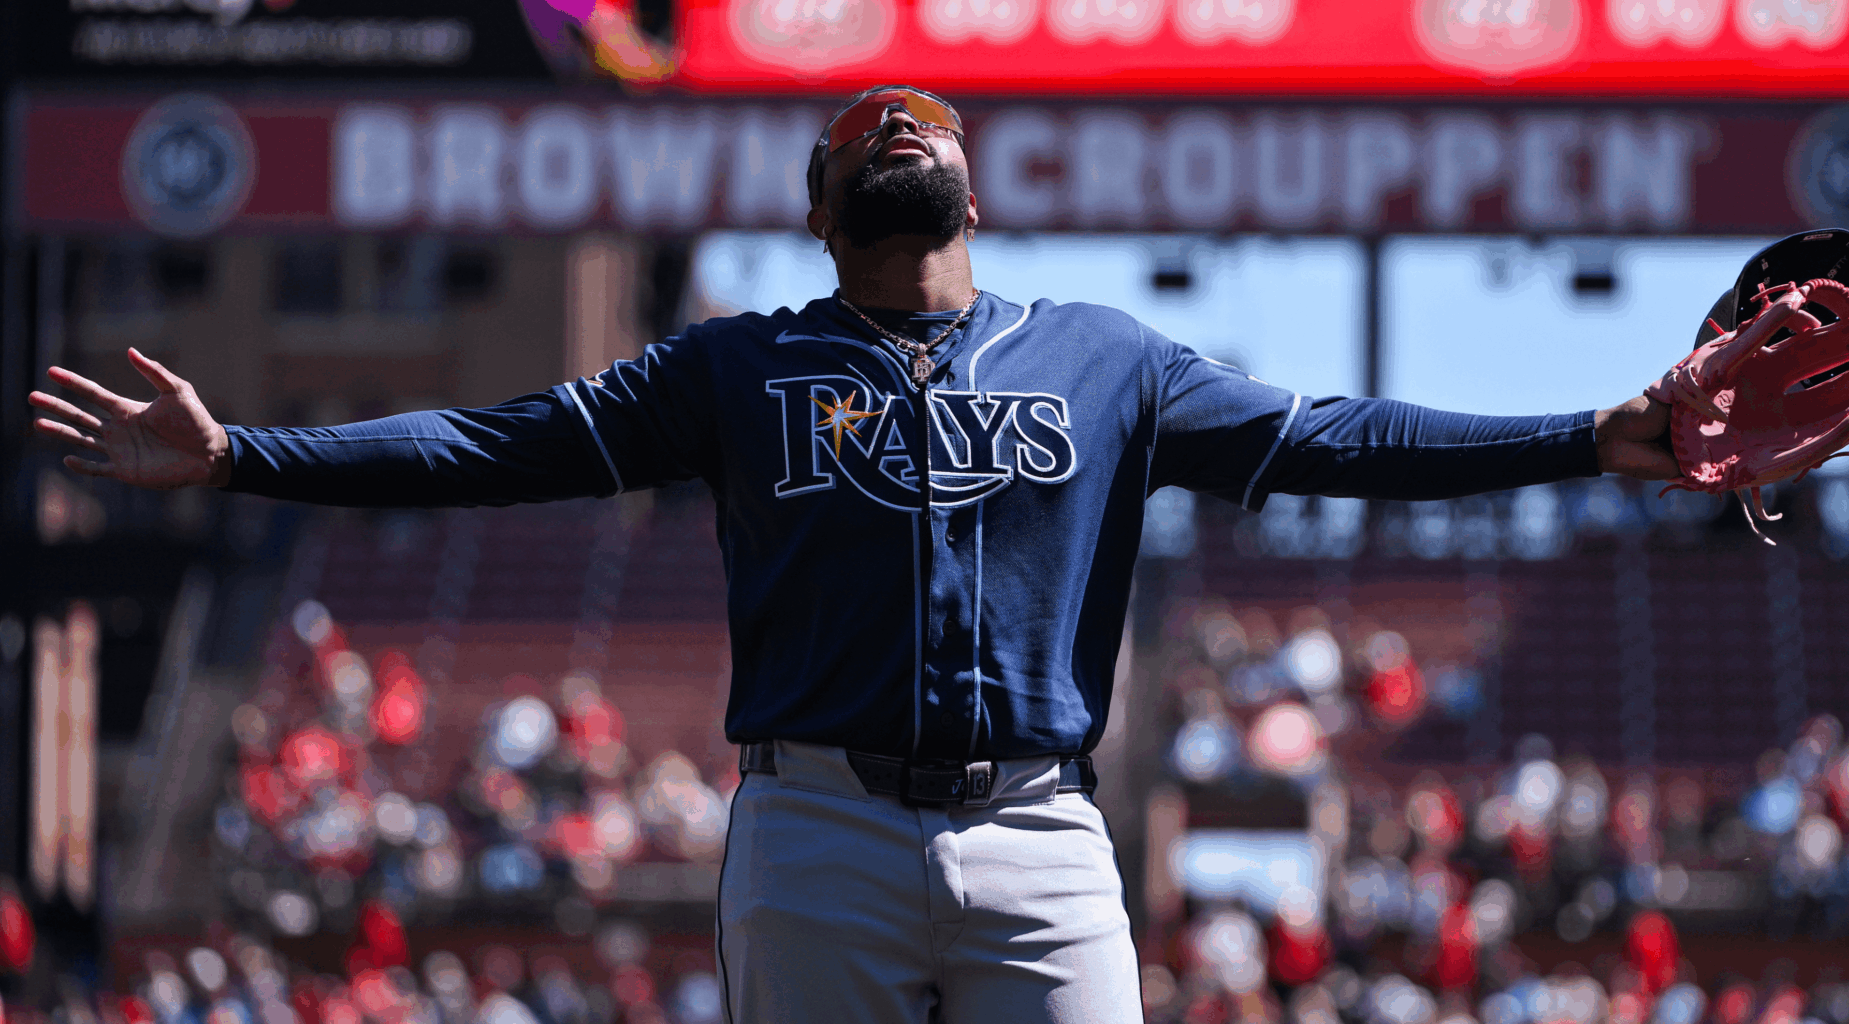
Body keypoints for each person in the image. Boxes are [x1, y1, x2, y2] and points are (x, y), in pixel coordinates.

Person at [31, 85, 1676, 1024]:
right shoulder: (738, 367)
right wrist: (246, 456)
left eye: (920, 127)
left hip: (1040, 836)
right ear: (826, 215)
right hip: (816, 826)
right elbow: (490, 447)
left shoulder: (1106, 358)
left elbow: (1341, 438)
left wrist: (1585, 433)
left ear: (975, 192)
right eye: (861, 139)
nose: (894, 131)